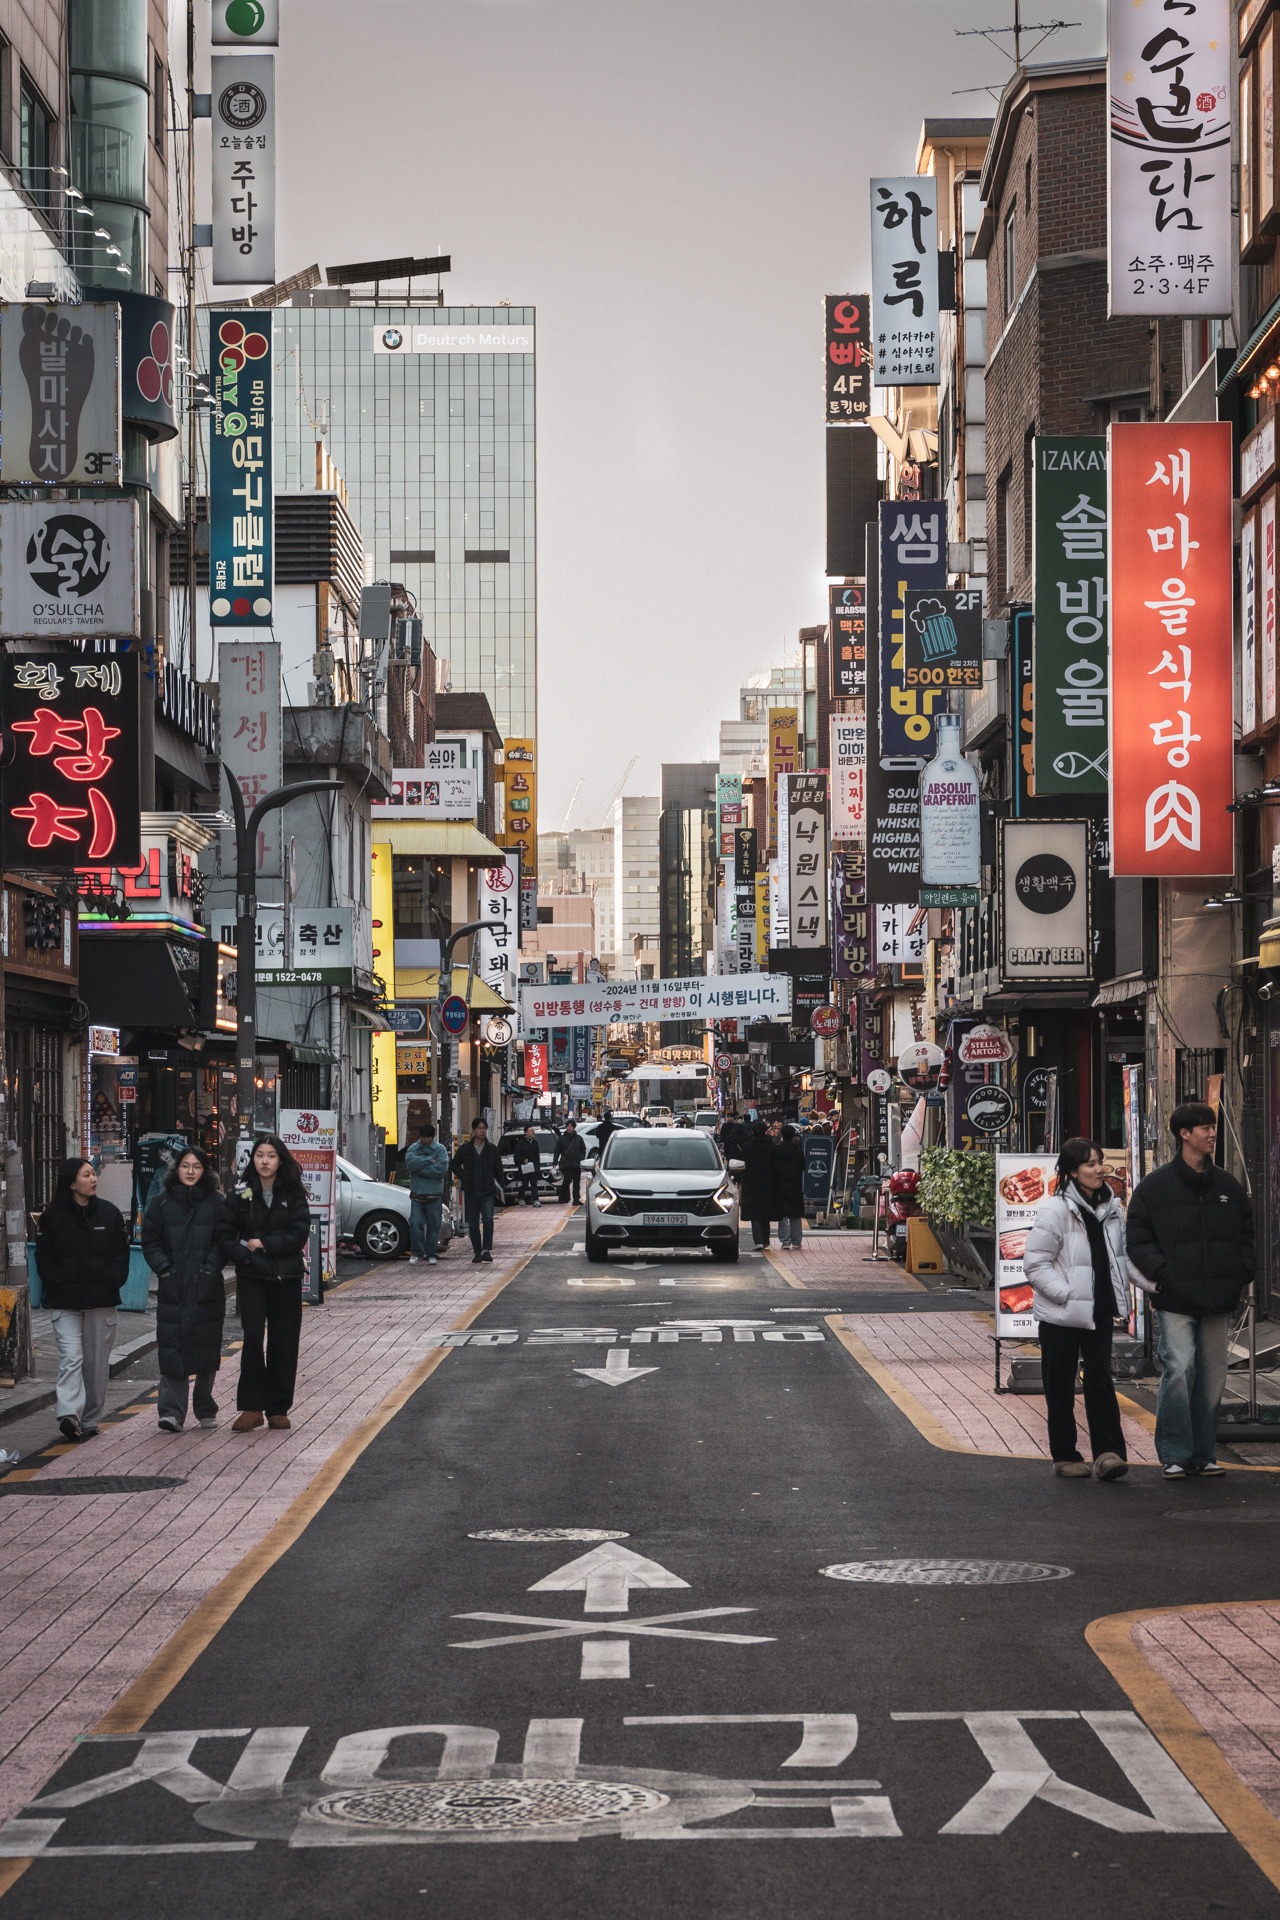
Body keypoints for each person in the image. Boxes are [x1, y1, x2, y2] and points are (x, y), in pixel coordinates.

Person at [1126, 1102, 1254, 1481]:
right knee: (1179, 1367)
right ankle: (1175, 1453)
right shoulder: (1155, 1186)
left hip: (1218, 1297)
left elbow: (1247, 1236)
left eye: (1213, 1126)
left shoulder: (1228, 1186)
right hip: (1175, 1296)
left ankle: (1202, 1453)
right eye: (1203, 1128)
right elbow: (1137, 1237)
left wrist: (1241, 1273)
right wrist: (1162, 1275)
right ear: (1184, 1134)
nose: (1211, 1133)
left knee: (1213, 1376)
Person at [1022, 1138, 1134, 1482]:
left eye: (1100, 1161)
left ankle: (1108, 1454)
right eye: (1090, 1164)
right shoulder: (1055, 1210)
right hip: (1061, 1313)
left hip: (1099, 1310)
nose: (1099, 1169)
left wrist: (1151, 1284)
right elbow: (1035, 1264)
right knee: (1059, 1384)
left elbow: (1121, 1257)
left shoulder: (1111, 1207)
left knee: (1100, 1379)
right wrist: (1066, 1295)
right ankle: (1065, 1455)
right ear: (1071, 1172)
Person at [220, 1136, 312, 1434]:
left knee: (284, 1342)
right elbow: (225, 1234)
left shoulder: (294, 1194)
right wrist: (244, 1257)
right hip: (252, 1278)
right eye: (259, 1155)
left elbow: (299, 1235)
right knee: (252, 1339)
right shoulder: (241, 1192)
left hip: (287, 1278)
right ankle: (251, 1408)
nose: (264, 1161)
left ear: (280, 1160)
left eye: (271, 1156)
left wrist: (265, 1244)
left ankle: (278, 1408)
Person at [35, 1158, 130, 1444]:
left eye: (94, 1173)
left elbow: (121, 1254)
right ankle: (68, 1414)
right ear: (71, 1183)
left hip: (102, 1302)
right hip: (65, 1302)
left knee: (97, 1365)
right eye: (86, 1174)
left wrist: (113, 1278)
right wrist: (56, 1281)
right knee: (72, 1358)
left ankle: (89, 1420)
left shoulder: (110, 1214)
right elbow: (44, 1257)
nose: (93, 1178)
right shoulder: (53, 1217)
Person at [141, 1145, 227, 1432]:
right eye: (185, 1166)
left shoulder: (216, 1202)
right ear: (176, 1169)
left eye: (197, 1166)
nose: (190, 1171)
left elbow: (224, 1239)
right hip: (173, 1287)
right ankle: (171, 1413)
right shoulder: (161, 1203)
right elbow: (150, 1241)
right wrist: (164, 1269)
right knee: (172, 1348)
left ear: (205, 1171)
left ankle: (205, 1407)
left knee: (206, 1349)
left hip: (207, 1287)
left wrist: (211, 1268)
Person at [451, 1115, 503, 1264]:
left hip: (488, 1191)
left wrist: (500, 1189)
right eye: (479, 1128)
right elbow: (454, 1164)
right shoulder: (465, 1149)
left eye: (484, 1129)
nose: (482, 1131)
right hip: (471, 1191)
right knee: (473, 1223)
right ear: (473, 1130)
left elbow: (499, 1170)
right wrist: (463, 1176)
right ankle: (477, 1251)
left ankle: (486, 1250)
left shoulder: (492, 1149)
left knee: (488, 1220)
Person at [404, 1122, 451, 1262]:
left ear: (433, 1137)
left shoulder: (440, 1149)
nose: (426, 1140)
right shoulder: (413, 1148)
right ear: (420, 1137)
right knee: (415, 1224)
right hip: (417, 1195)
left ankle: (431, 1254)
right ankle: (417, 1252)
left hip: (434, 1195)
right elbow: (410, 1164)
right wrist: (430, 1160)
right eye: (424, 1137)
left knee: (434, 1226)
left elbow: (441, 1170)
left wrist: (419, 1169)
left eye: (428, 1138)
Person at [738, 1119, 778, 1250]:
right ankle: (766, 1240)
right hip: (768, 1182)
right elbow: (774, 1165)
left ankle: (759, 1241)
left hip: (751, 1182)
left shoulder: (747, 1146)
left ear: (753, 1131)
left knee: (754, 1213)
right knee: (765, 1212)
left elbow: (743, 1164)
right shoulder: (771, 1146)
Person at [774, 1124, 806, 1250]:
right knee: (795, 1213)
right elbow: (802, 1167)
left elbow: (774, 1167)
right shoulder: (798, 1152)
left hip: (780, 1184)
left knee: (782, 1214)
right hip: (795, 1184)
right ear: (793, 1136)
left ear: (782, 1135)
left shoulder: (776, 1150)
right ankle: (797, 1241)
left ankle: (785, 1241)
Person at [554, 1118, 587, 1204]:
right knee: (567, 1180)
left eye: (571, 1126)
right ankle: (562, 1196)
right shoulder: (562, 1138)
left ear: (574, 1127)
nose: (569, 1128)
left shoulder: (579, 1138)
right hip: (566, 1164)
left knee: (576, 1182)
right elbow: (557, 1151)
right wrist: (555, 1162)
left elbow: (583, 1150)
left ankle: (576, 1199)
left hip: (576, 1164)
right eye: (568, 1126)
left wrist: (581, 1159)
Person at [512, 1123, 542, 1207]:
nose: (533, 1132)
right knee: (524, 1184)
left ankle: (536, 1200)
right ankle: (520, 1198)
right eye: (531, 1131)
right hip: (524, 1167)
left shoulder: (535, 1142)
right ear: (526, 1133)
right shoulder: (520, 1143)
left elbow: (537, 1156)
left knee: (534, 1184)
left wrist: (538, 1167)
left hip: (534, 1167)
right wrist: (522, 1160)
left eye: (533, 1130)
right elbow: (516, 1156)